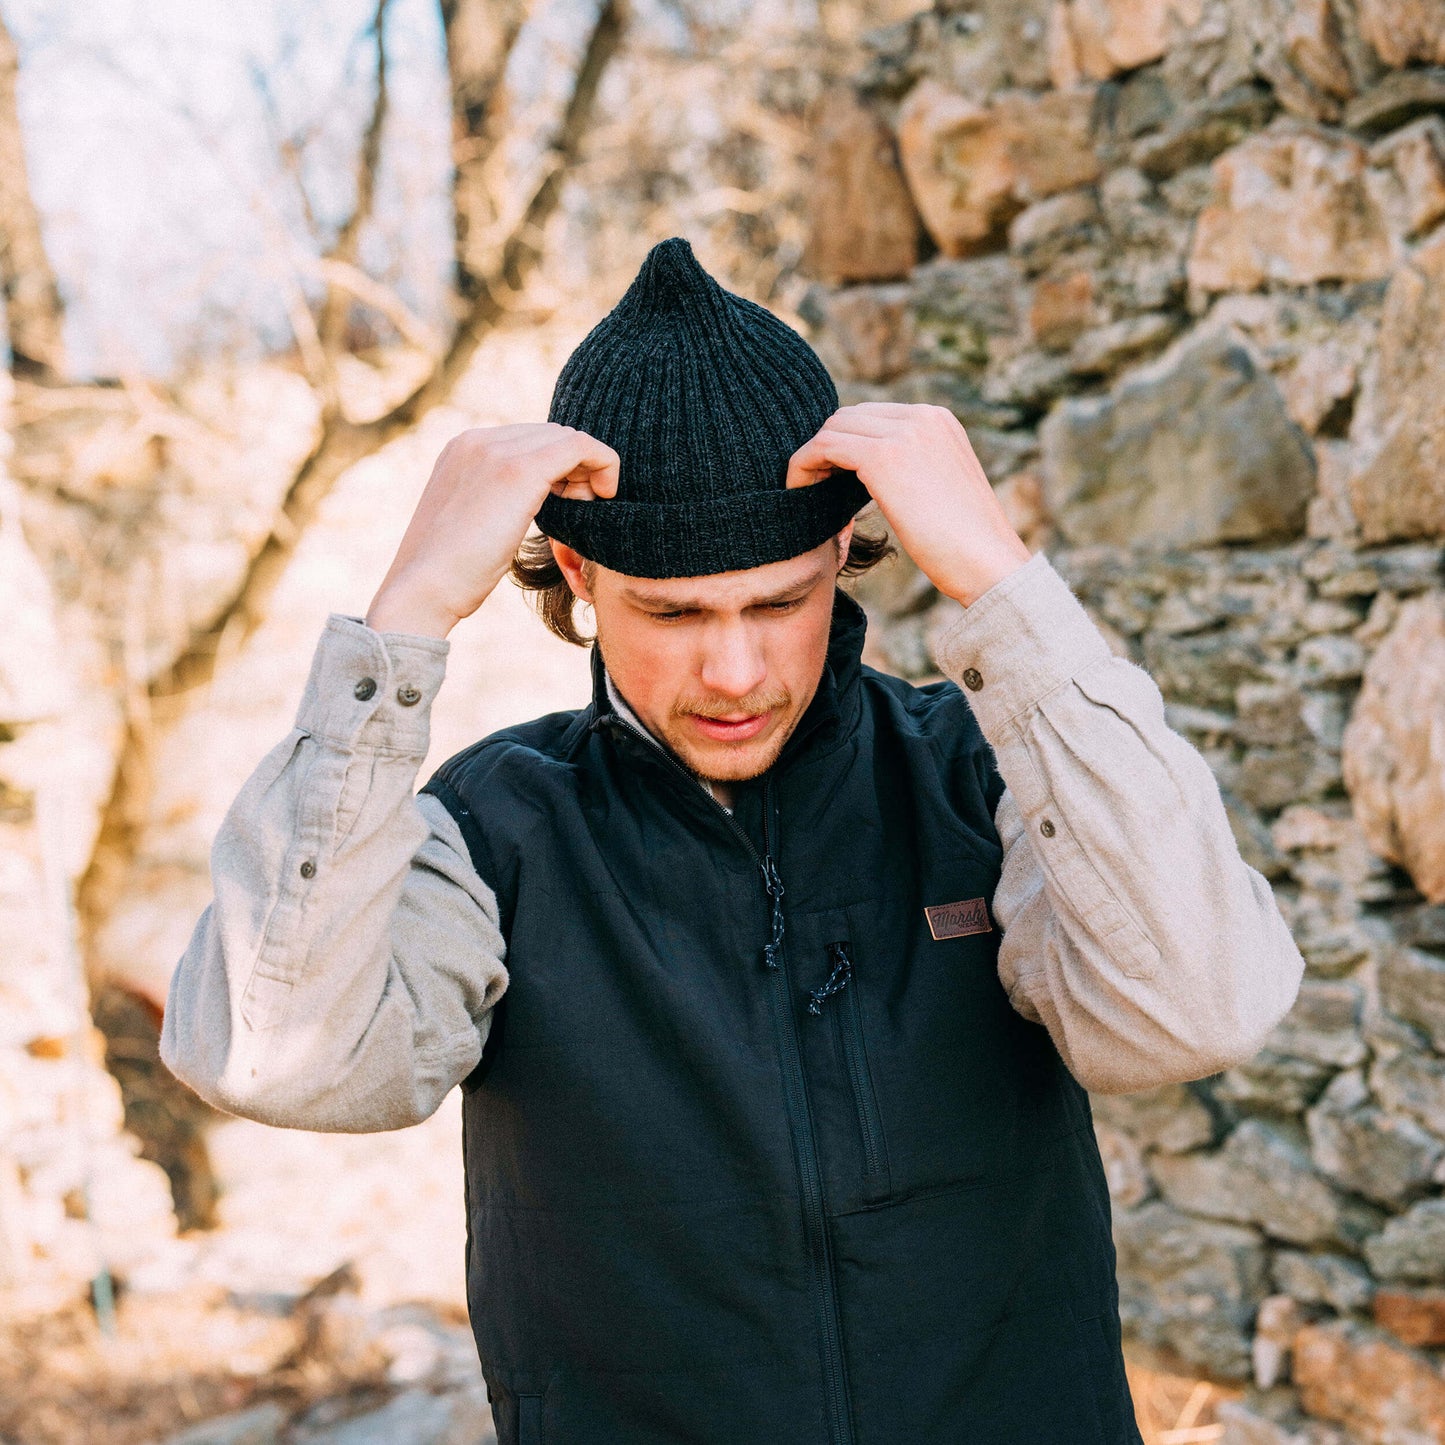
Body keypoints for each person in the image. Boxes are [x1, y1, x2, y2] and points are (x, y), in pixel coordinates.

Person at [161, 236, 1305, 1445]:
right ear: (578, 577)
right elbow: (270, 1057)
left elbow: (1200, 1006)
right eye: (673, 611)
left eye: (780, 599)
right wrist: (401, 622)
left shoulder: (981, 771)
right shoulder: (491, 825)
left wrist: (1001, 582)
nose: (735, 669)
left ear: (842, 558)